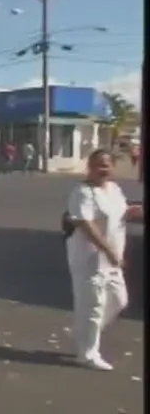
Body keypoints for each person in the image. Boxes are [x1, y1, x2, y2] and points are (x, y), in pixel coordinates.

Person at [65, 148, 143, 370]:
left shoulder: (114, 189)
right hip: (89, 259)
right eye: (98, 165)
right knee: (94, 305)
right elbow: (85, 224)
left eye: (107, 165)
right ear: (89, 167)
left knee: (119, 300)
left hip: (113, 258)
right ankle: (87, 354)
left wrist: (133, 212)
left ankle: (85, 333)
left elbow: (121, 212)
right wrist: (107, 250)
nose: (103, 169)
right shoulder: (82, 192)